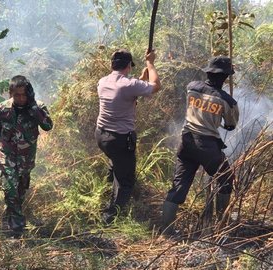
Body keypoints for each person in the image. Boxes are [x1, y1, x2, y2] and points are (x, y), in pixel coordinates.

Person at [161, 56, 238, 235]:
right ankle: (220, 224)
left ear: (208, 72)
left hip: (186, 141)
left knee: (179, 185)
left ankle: (166, 231)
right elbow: (230, 125)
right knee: (226, 179)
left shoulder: (191, 87)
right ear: (225, 77)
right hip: (207, 146)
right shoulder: (227, 100)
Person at [95, 49, 161, 224]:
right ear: (128, 66)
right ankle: (110, 217)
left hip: (101, 136)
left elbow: (125, 90)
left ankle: (105, 188)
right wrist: (150, 63)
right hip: (119, 139)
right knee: (126, 180)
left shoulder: (103, 82)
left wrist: (140, 79)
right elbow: (156, 86)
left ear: (112, 65)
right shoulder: (129, 85)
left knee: (116, 162)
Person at [0, 75, 53, 238]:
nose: (21, 98)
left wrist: (34, 108)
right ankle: (18, 227)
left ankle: (7, 219)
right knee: (10, 188)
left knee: (19, 191)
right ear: (10, 93)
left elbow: (47, 126)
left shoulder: (38, 107)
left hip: (26, 160)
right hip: (7, 157)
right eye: (17, 95)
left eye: (24, 95)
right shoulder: (2, 109)